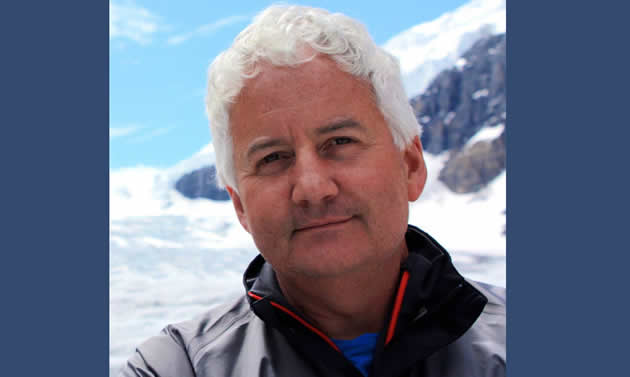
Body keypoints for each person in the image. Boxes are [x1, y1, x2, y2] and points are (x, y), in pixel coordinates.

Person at [120, 5, 506, 377]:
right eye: (272, 158)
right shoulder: (177, 367)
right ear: (239, 204)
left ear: (411, 166)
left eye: (339, 142)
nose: (312, 188)